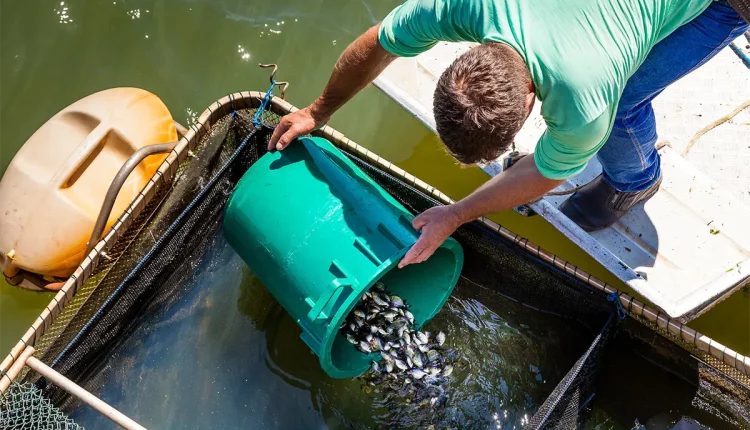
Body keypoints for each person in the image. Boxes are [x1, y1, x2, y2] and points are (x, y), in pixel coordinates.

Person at [269, 0, 749, 268]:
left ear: (526, 107)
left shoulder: (587, 102)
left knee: (626, 102)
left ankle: (637, 179)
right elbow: (381, 40)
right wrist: (320, 109)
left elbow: (543, 172)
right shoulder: (463, 6)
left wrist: (457, 214)